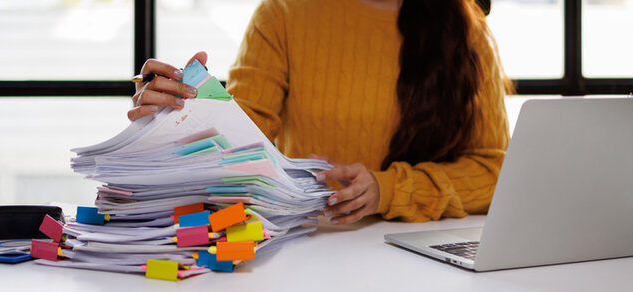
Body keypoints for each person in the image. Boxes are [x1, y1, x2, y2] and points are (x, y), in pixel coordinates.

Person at [127, 0, 511, 225]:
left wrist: (389, 189)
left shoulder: (467, 27)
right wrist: (169, 118)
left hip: (428, 262)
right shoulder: (284, 13)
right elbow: (240, 146)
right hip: (310, 252)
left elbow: (495, 171)